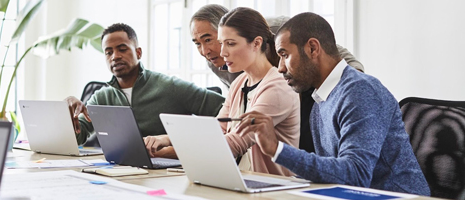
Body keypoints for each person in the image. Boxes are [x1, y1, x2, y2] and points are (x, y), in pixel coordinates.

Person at [236, 12, 430, 195]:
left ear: (312, 48)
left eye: (285, 55)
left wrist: (277, 149)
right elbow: (333, 172)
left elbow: (356, 175)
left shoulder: (360, 91)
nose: (280, 68)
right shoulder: (322, 97)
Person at [190, 4, 365, 153]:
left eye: (209, 40)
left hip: (304, 90)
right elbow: (232, 115)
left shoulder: (276, 30)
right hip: (275, 93)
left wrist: (347, 93)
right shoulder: (218, 65)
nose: (204, 51)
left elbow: (330, 50)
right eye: (197, 43)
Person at [147, 7, 299, 176]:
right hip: (244, 180)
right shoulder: (240, 83)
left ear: (256, 43)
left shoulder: (277, 87)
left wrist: (164, 152)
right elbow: (216, 131)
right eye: (222, 43)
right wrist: (166, 139)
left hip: (275, 186)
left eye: (230, 44)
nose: (222, 52)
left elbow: (232, 145)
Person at [65, 23, 225, 157]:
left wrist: (175, 143)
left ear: (138, 52)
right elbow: (78, 137)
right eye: (109, 52)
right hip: (121, 172)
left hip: (169, 172)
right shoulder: (101, 97)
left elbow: (227, 114)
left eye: (122, 49)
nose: (115, 56)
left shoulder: (170, 86)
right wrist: (66, 116)